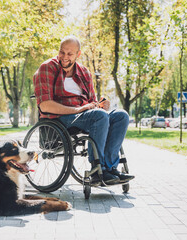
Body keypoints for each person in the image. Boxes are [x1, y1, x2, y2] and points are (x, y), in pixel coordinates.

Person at [33, 36, 134, 185]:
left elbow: (92, 101)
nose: (64, 57)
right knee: (99, 116)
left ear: (78, 54)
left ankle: (110, 168)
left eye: (70, 54)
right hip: (59, 118)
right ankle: (97, 170)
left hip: (86, 115)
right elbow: (45, 105)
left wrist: (100, 105)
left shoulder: (84, 72)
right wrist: (79, 109)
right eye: (62, 52)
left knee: (121, 115)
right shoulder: (47, 67)